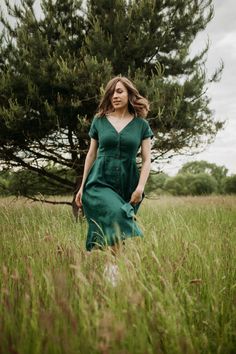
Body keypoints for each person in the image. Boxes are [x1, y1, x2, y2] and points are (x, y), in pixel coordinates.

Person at [75, 76, 154, 256]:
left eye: (119, 91)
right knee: (118, 216)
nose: (114, 96)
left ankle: (114, 270)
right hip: (99, 181)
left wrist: (140, 188)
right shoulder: (99, 120)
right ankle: (113, 271)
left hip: (128, 183)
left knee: (117, 229)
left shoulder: (141, 125)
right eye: (111, 93)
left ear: (129, 95)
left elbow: (147, 159)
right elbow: (91, 154)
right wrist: (82, 186)